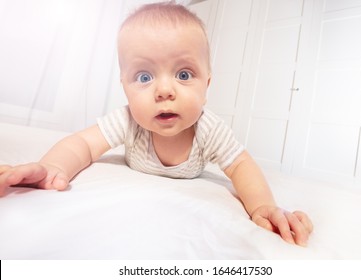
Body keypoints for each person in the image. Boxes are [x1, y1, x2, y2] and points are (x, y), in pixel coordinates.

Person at [0, 2, 312, 246]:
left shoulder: (209, 128)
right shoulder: (127, 120)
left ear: (207, 83)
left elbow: (241, 165)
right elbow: (82, 144)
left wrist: (262, 206)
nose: (164, 91)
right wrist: (52, 167)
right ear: (124, 86)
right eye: (144, 77)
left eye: (184, 74)